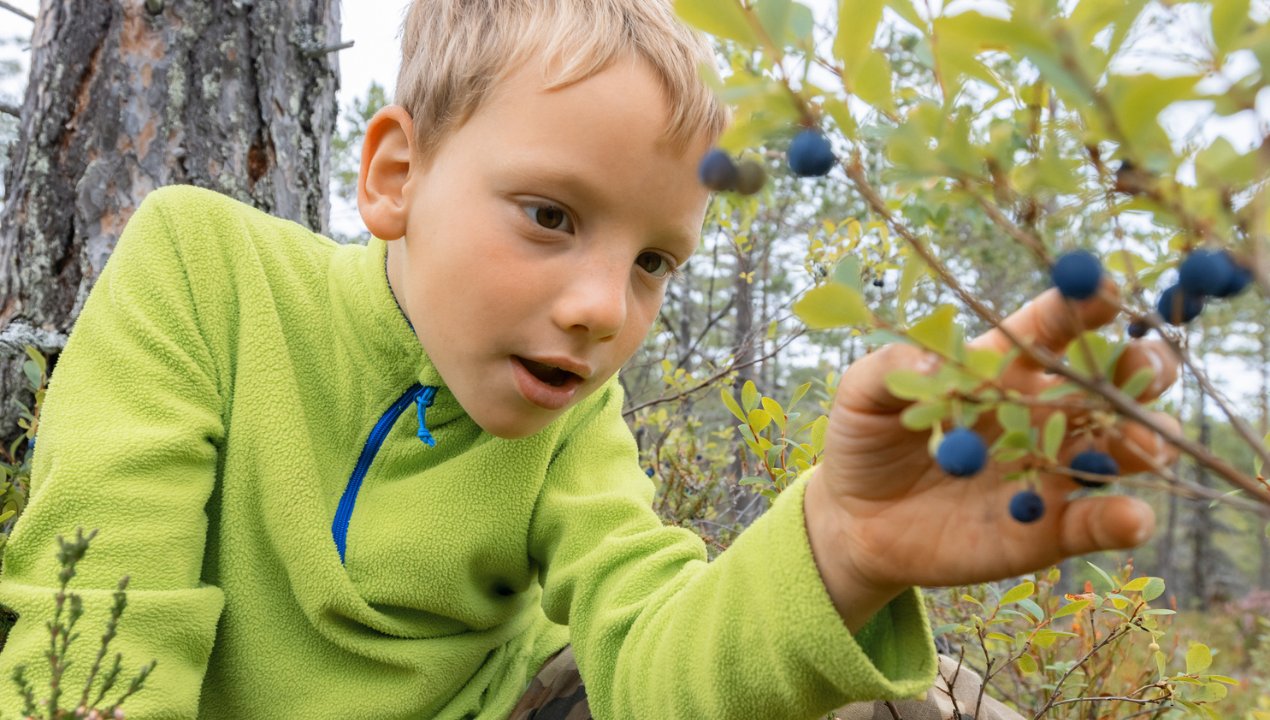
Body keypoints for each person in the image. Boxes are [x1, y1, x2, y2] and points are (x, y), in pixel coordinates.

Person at [0, 1, 1181, 718]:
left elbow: (648, 663)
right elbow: (97, 625)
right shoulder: (208, 272)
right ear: (397, 175)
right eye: (550, 216)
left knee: (915, 700)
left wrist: (840, 549)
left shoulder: (568, 420)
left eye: (655, 260)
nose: (602, 309)